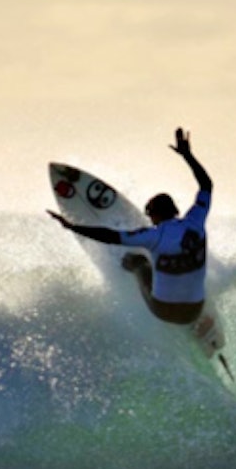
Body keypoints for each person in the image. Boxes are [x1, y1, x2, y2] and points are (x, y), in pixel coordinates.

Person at [48, 127, 212, 325]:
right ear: (174, 209)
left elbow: (110, 236)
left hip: (163, 310)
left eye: (149, 214)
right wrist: (187, 155)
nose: (149, 218)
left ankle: (127, 265)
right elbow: (206, 184)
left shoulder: (152, 236)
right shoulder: (197, 219)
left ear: (155, 214)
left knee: (139, 262)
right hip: (194, 310)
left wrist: (73, 227)